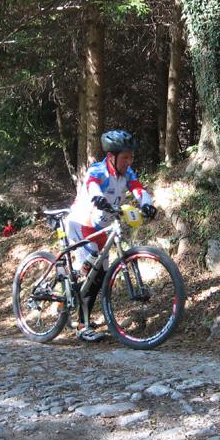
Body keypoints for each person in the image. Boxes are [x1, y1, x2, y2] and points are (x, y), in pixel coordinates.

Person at [67, 130, 157, 341]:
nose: (129, 161)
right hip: (83, 224)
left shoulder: (127, 173)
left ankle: (81, 310)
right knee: (93, 273)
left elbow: (138, 190)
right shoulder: (98, 170)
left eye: (131, 156)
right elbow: (92, 186)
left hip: (103, 227)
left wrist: (147, 205)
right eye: (125, 156)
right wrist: (98, 198)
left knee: (100, 276)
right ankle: (81, 325)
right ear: (111, 157)